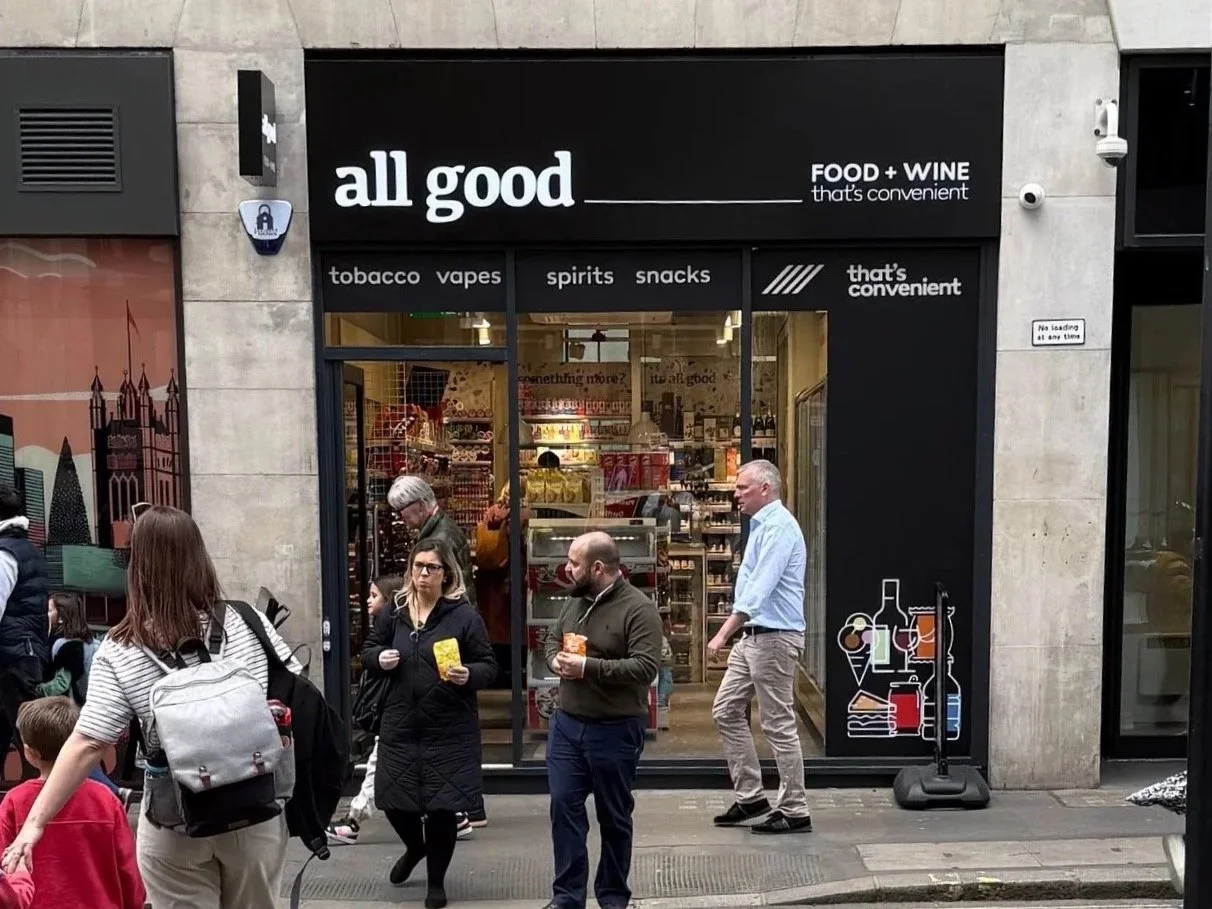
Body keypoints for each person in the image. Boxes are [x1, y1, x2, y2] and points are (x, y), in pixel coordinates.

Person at [0, 505, 302, 908]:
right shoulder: (248, 621)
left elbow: (89, 741)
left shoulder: (122, 647)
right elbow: (298, 692)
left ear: (138, 566)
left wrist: (34, 824)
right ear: (200, 555)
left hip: (176, 819)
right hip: (257, 810)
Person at [362, 539, 496, 909]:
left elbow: (488, 666)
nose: (423, 574)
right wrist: (379, 658)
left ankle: (435, 883)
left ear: (446, 573)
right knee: (392, 800)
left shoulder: (463, 617)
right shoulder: (394, 611)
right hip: (400, 722)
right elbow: (368, 649)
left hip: (448, 725)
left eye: (431, 568)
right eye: (418, 566)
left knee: (441, 807)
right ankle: (415, 847)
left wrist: (467, 674)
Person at [541, 532, 662, 909]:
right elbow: (550, 638)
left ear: (597, 568)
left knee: (613, 817)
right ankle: (567, 898)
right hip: (567, 725)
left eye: (573, 563)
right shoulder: (575, 602)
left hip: (614, 728)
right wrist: (555, 661)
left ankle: (612, 898)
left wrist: (586, 667)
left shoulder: (638, 609)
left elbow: (645, 668)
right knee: (564, 808)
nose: (566, 568)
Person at [708, 459, 812, 834]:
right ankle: (752, 795)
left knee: (778, 724)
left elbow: (760, 588)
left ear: (765, 489)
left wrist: (723, 632)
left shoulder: (780, 528)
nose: (736, 495)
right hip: (754, 636)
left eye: (743, 488)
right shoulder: (762, 525)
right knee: (726, 710)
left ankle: (795, 808)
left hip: (773, 637)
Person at [387, 475, 487, 829]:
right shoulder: (443, 528)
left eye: (403, 512)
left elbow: (434, 590)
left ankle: (461, 807)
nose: (401, 519)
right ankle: (466, 805)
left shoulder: (436, 538)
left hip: (445, 631)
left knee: (448, 713)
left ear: (419, 505)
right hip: (452, 626)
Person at [0, 697, 144, 909]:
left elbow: (6, 868)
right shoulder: (105, 799)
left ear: (29, 753)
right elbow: (127, 867)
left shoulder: (14, 801)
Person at [327, 575, 404, 846]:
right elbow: (370, 654)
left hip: (397, 711)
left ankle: (354, 820)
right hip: (395, 710)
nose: (368, 601)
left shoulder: (397, 621)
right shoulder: (389, 624)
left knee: (379, 762)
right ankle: (455, 816)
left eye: (374, 595)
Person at [36, 593, 121, 802]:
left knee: (72, 759)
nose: (46, 614)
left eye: (50, 610)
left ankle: (114, 793)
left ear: (62, 616)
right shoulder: (92, 643)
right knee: (82, 759)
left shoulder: (63, 645)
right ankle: (111, 794)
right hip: (90, 708)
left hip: (70, 711)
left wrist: (37, 689)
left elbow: (62, 683)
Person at [0, 486, 50, 780]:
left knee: (33, 744)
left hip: (12, 659)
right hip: (21, 656)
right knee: (31, 739)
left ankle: (58, 805)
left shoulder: (5, 553)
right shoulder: (25, 549)